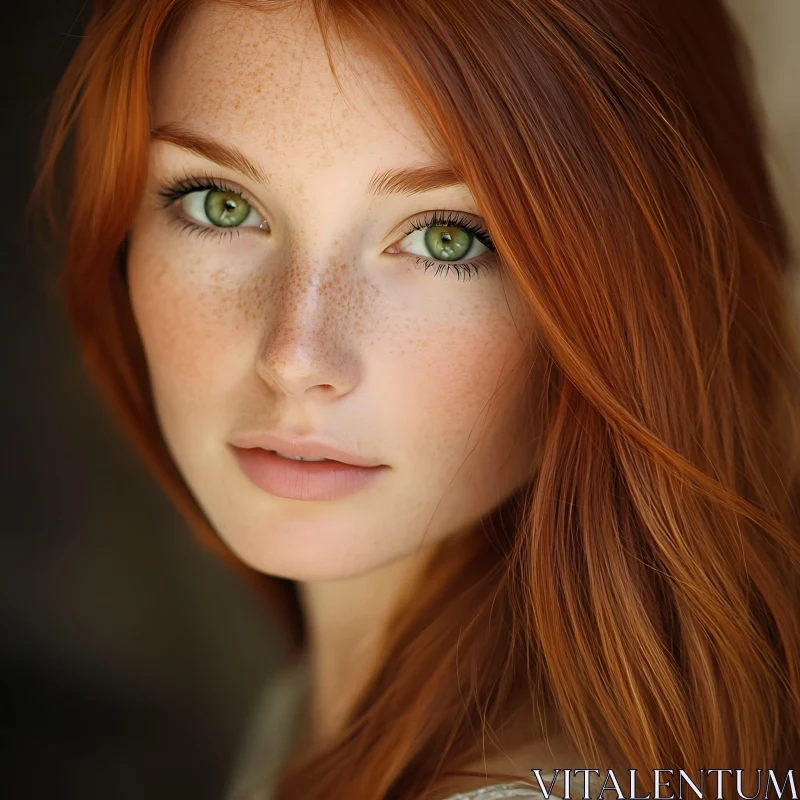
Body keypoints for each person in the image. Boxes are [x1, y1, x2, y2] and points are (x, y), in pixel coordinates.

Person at [29, 0, 800, 798]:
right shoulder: (317, 714)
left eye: (446, 237)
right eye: (220, 205)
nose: (296, 357)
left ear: (642, 296)